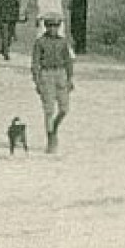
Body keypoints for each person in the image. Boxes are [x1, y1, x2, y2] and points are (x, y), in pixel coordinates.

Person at [30, 14, 75, 153]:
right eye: (50, 26)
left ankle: (54, 127)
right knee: (49, 110)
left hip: (61, 74)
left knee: (64, 109)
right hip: (46, 75)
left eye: (56, 26)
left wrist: (70, 79)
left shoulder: (62, 42)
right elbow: (35, 63)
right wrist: (37, 81)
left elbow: (68, 61)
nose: (53, 29)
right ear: (46, 27)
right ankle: (50, 138)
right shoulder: (40, 42)